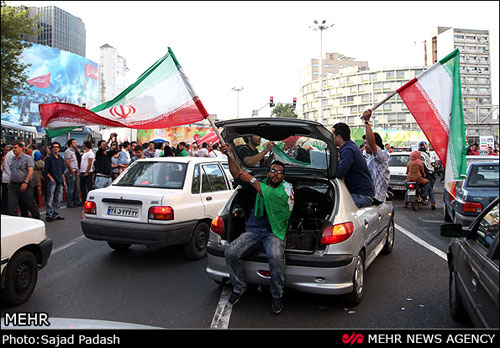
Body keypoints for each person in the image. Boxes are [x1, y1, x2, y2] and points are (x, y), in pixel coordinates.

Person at [221, 143, 294, 314]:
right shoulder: (260, 183)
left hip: (274, 232)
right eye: (273, 171)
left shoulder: (287, 189)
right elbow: (237, 174)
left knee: (275, 256)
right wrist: (229, 155)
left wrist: (252, 180)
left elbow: (273, 195)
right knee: (230, 252)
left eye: (279, 172)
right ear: (268, 172)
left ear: (283, 176)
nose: (275, 174)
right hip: (254, 230)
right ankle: (239, 286)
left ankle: (276, 294)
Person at [332, 122, 375, 208]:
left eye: (332, 135)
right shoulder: (351, 147)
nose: (331, 138)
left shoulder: (348, 150)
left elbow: (339, 173)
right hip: (362, 193)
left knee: (338, 210)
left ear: (339, 137)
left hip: (361, 195)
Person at [362, 109, 390, 204]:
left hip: (376, 197)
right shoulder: (368, 157)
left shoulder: (381, 155)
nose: (365, 145)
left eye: (367, 143)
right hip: (368, 194)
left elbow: (371, 141)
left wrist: (367, 121)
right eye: (364, 143)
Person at [8, 141, 40, 219]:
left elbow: (30, 170)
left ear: (21, 148)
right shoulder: (13, 159)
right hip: (14, 184)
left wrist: (26, 182)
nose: (14, 150)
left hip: (24, 184)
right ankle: (14, 220)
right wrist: (10, 181)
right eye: (13, 148)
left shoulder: (27, 158)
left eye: (15, 147)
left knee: (29, 202)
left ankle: (36, 217)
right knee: (12, 204)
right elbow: (13, 171)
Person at [44, 142, 66, 221]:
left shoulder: (61, 159)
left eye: (57, 147)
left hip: (59, 180)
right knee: (50, 198)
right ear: (52, 148)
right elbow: (46, 171)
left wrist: (64, 181)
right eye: (54, 147)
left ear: (59, 148)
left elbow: (62, 171)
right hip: (52, 180)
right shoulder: (49, 158)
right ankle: (49, 215)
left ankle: (56, 214)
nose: (56, 148)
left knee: (57, 198)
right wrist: (51, 179)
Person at [418, 141, 436, 209]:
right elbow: (425, 172)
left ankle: (405, 203)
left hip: (411, 179)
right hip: (420, 179)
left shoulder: (410, 163)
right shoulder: (422, 162)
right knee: (429, 186)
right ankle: (432, 202)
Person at [64, 138, 81, 208]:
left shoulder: (73, 151)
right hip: (70, 172)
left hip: (75, 170)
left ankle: (76, 201)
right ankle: (69, 202)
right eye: (74, 142)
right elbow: (67, 161)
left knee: (76, 187)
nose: (75, 144)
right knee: (70, 188)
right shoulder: (68, 151)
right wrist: (71, 170)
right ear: (70, 144)